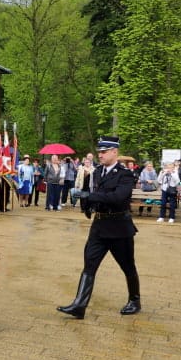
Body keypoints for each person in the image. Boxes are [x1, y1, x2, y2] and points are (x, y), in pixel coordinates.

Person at [58, 136, 141, 319]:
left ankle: (134, 300)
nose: (100, 155)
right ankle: (79, 305)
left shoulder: (125, 174)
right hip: (99, 227)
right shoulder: (95, 173)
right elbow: (88, 193)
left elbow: (119, 198)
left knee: (128, 266)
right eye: (99, 152)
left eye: (104, 152)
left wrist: (91, 196)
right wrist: (85, 205)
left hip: (119, 227)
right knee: (89, 265)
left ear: (114, 152)